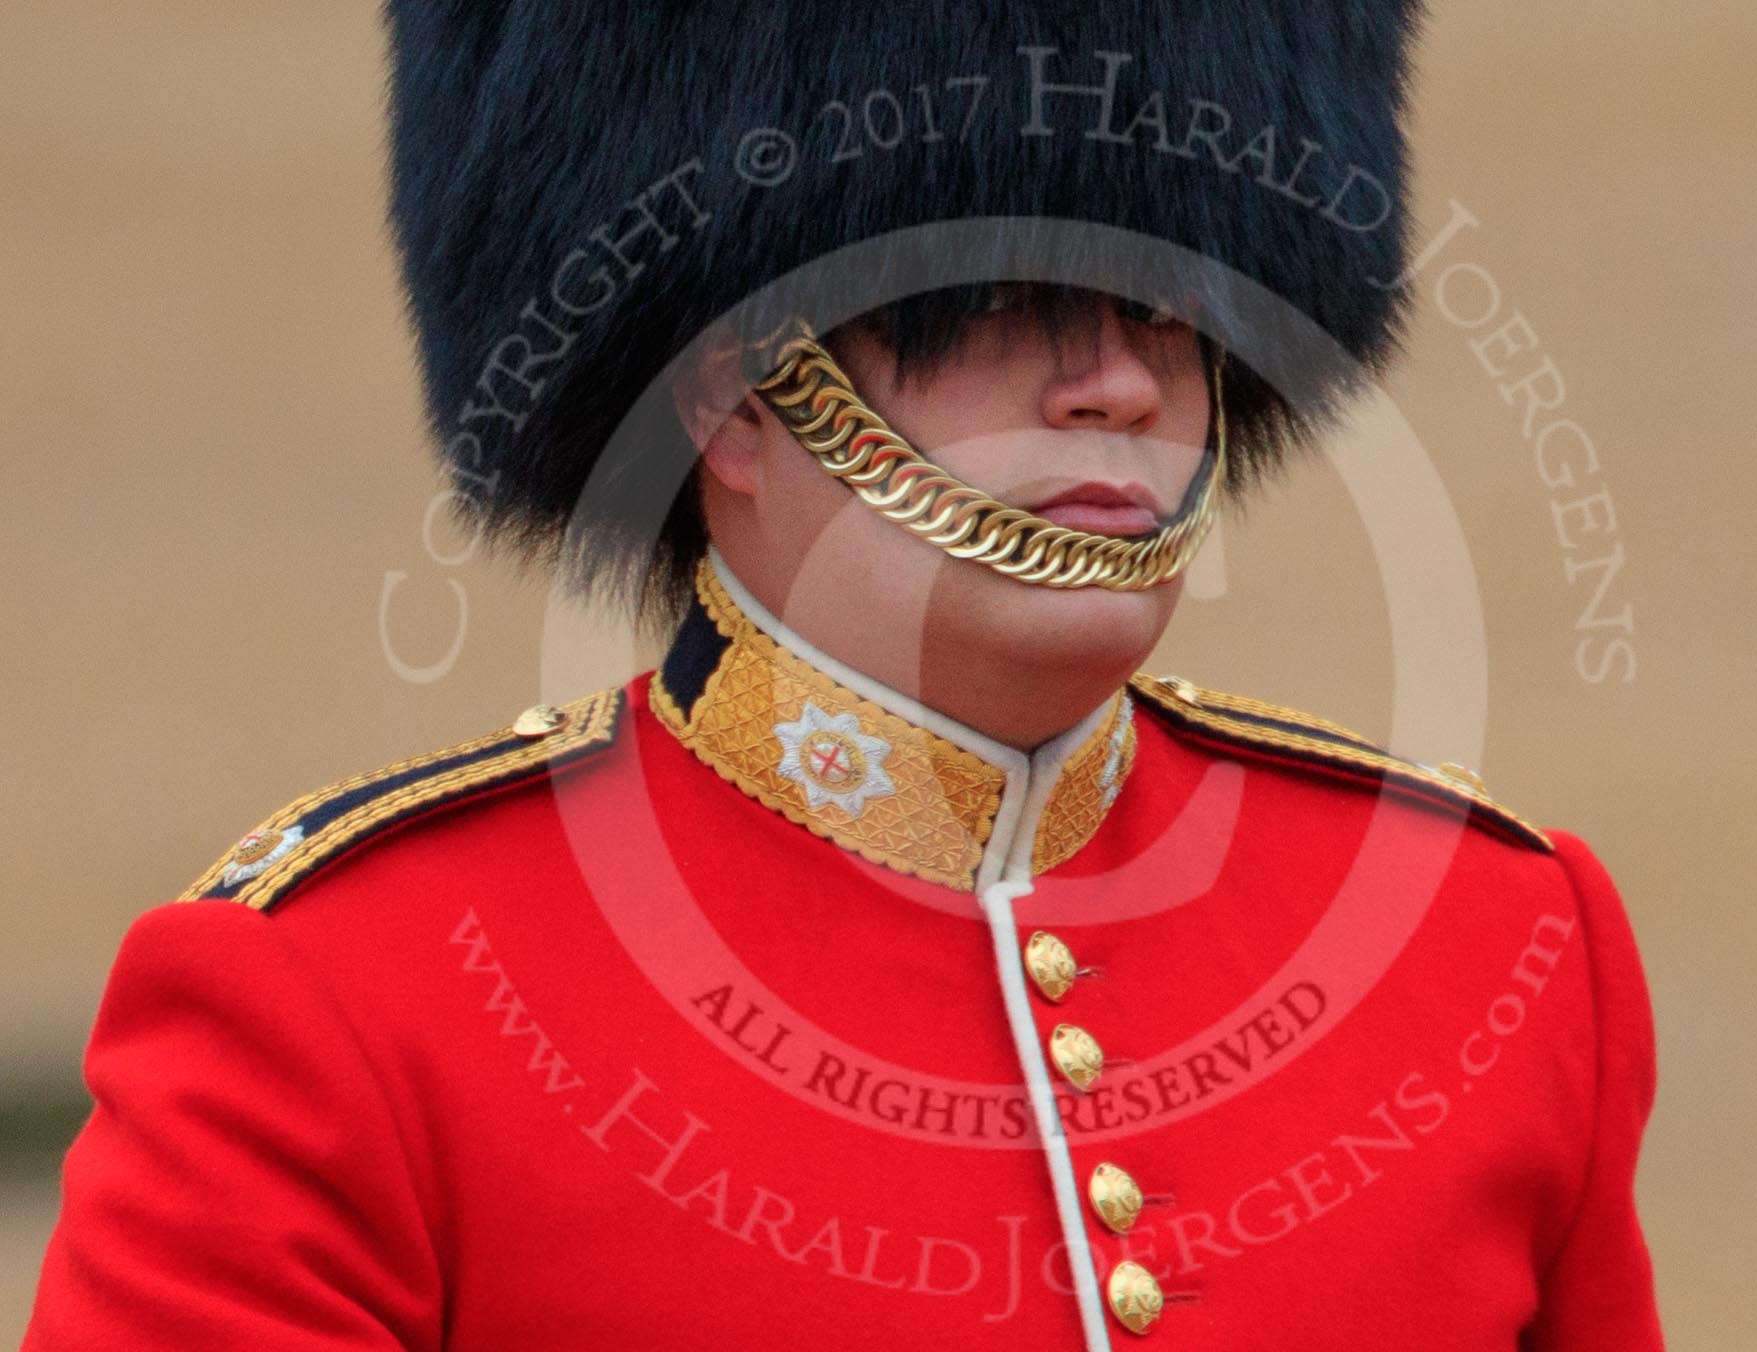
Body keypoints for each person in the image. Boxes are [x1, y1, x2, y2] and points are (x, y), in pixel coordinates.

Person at [27, 4, 1662, 1349]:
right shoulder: (342, 1016)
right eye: (1005, 298)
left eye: (1173, 306)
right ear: (737, 393)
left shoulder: (1500, 948)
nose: (1112, 384)